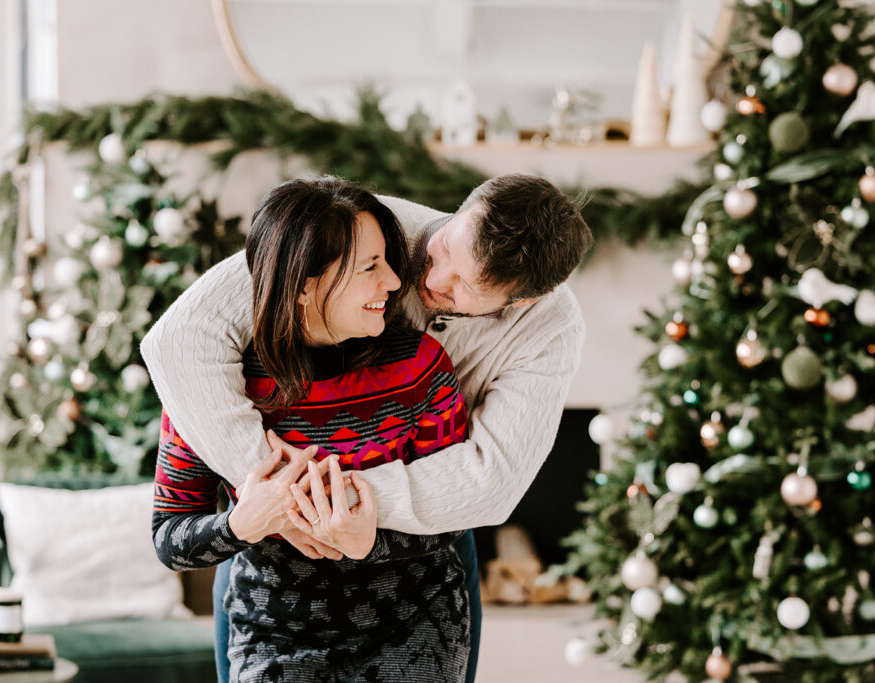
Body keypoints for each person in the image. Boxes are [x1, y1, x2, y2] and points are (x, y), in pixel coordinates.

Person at [142, 173, 593, 682]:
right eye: (445, 247)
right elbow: (180, 340)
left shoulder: (518, 339)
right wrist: (274, 502)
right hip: (268, 585)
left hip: (419, 575)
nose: (424, 280)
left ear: (521, 302)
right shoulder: (353, 230)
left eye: (466, 287)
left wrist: (335, 509)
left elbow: (491, 482)